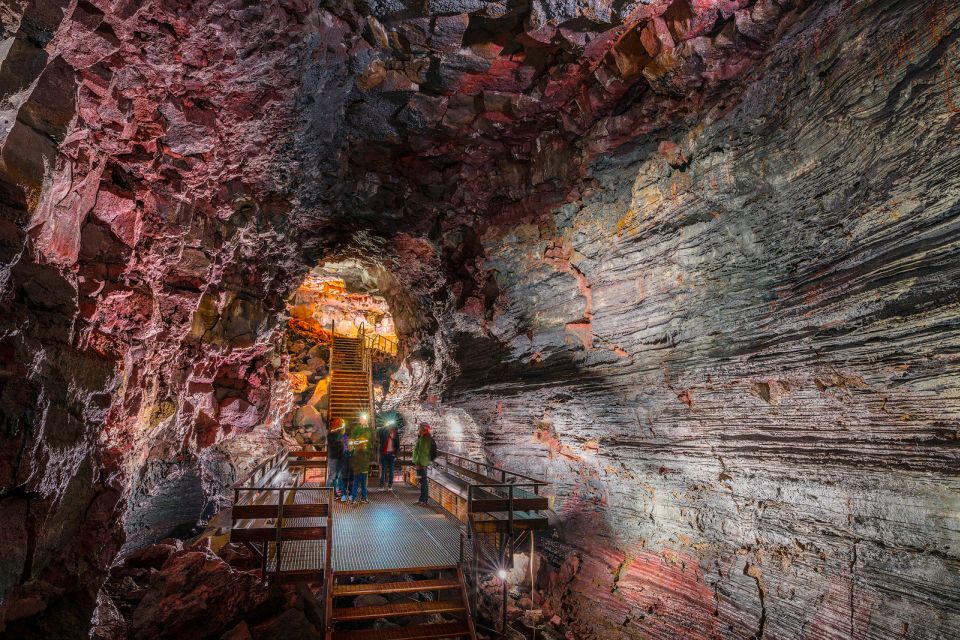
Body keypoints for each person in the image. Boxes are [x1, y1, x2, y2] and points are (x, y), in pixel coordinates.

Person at [411, 423, 436, 506]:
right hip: (419, 463)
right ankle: (421, 499)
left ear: (424, 429)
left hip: (423, 464)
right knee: (421, 481)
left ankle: (424, 500)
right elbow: (418, 450)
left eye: (420, 428)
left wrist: (427, 462)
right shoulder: (421, 437)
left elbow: (430, 452)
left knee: (424, 482)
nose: (419, 430)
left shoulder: (428, 439)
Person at [349, 421, 373, 504]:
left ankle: (353, 499)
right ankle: (365, 498)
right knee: (363, 486)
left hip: (357, 471)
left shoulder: (355, 453)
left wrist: (354, 468)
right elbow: (367, 462)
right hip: (364, 472)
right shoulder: (366, 453)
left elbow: (353, 462)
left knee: (355, 486)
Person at [326, 418, 346, 497]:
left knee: (338, 474)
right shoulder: (331, 435)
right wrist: (342, 443)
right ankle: (329, 490)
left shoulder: (341, 434)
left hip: (340, 457)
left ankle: (336, 490)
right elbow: (334, 445)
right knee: (333, 475)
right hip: (333, 457)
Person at [378, 424, 400, 490]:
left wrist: (396, 455)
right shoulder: (384, 433)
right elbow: (380, 431)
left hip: (391, 454)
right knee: (383, 470)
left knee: (391, 470)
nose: (391, 429)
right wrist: (385, 425)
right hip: (384, 454)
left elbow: (397, 445)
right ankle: (381, 485)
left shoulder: (396, 435)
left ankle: (390, 485)